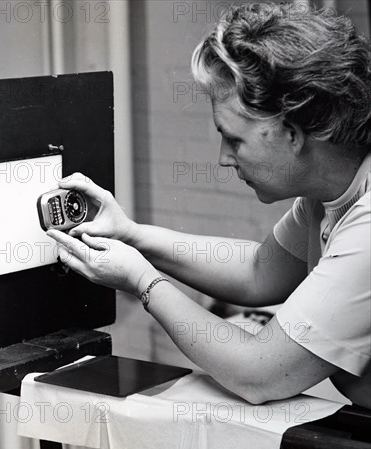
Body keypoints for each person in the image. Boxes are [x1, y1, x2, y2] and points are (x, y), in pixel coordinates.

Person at [47, 3, 370, 407]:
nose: (223, 158)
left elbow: (259, 372)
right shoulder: (331, 191)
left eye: (234, 139)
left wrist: (143, 282)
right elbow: (259, 271)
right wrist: (131, 235)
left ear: (292, 134)